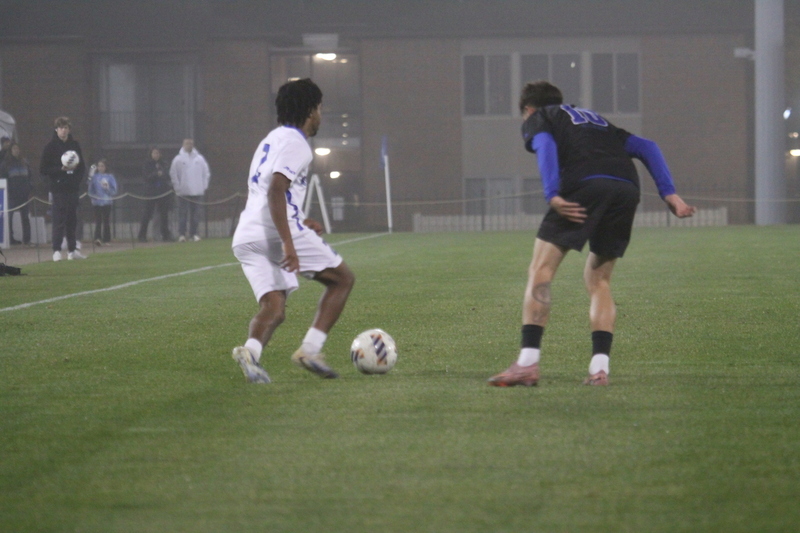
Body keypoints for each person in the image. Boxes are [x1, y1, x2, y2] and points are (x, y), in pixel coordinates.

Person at [488, 81, 696, 387]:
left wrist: (552, 194)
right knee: (599, 280)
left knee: (541, 270)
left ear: (529, 109)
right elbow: (647, 147)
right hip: (625, 189)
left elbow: (544, 145)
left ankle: (527, 364)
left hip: (584, 186)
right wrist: (670, 194)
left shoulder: (541, 116)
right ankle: (600, 369)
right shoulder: (596, 122)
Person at [230, 78, 355, 384]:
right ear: (311, 110)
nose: (320, 115)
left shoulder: (270, 140)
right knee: (342, 279)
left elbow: (269, 192)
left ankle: (251, 353)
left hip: (247, 234)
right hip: (274, 235)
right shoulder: (298, 143)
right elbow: (276, 189)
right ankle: (310, 350)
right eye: (320, 108)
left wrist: (300, 219)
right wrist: (289, 242)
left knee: (274, 307)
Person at [40, 116, 87, 261]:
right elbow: (43, 169)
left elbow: (82, 167)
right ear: (56, 129)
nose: (63, 130)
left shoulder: (75, 145)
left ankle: (72, 251)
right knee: (58, 219)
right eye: (60, 128)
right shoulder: (50, 147)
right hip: (58, 188)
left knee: (72, 219)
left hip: (72, 189)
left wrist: (76, 181)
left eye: (65, 128)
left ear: (69, 129)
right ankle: (56, 250)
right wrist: (60, 170)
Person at [169, 138, 210, 242]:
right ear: (183, 145)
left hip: (197, 191)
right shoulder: (178, 159)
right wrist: (178, 188)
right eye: (187, 143)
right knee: (182, 213)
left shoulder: (199, 159)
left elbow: (206, 173)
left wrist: (203, 186)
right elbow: (173, 174)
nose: (189, 145)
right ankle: (181, 234)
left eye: (191, 143)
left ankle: (194, 234)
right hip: (183, 192)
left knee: (195, 214)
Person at [138, 147, 174, 242]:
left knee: (164, 214)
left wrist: (163, 175)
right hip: (151, 192)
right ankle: (142, 235)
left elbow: (168, 176)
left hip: (162, 192)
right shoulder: (147, 164)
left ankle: (166, 235)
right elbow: (146, 177)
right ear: (151, 154)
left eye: (158, 153)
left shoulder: (164, 164)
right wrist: (156, 174)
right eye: (154, 153)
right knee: (147, 214)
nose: (156, 155)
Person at [0, 142, 33, 245]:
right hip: (11, 195)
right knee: (9, 218)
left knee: (25, 218)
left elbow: (30, 176)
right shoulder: (5, 164)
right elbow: (3, 178)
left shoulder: (25, 162)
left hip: (24, 194)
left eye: (17, 149)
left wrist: (30, 187)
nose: (16, 151)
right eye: (14, 149)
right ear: (10, 151)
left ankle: (27, 239)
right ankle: (10, 238)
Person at [87, 159, 118, 245]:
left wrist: (107, 188)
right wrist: (90, 177)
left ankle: (107, 239)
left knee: (106, 221)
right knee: (98, 221)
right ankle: (97, 238)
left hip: (107, 202)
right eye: (99, 166)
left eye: (102, 166)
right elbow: (90, 189)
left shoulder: (110, 177)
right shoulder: (95, 177)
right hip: (96, 202)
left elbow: (114, 191)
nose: (100, 168)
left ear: (106, 167)